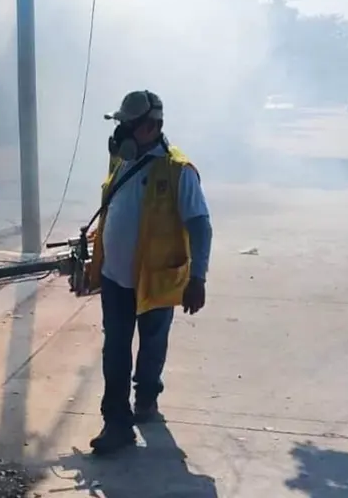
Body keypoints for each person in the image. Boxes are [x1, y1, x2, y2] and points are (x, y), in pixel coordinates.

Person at [86, 90, 213, 455]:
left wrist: (198, 278)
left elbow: (201, 226)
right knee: (116, 349)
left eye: (127, 126)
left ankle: (146, 398)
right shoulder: (121, 160)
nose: (120, 133)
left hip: (156, 278)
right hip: (115, 277)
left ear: (150, 127)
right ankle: (116, 422)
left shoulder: (177, 171)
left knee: (153, 344)